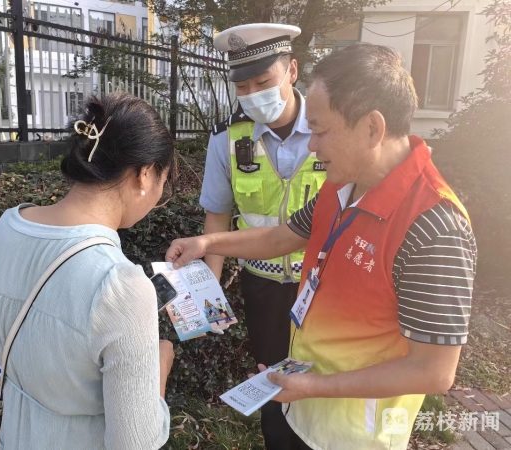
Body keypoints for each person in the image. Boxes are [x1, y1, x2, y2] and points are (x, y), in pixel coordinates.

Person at [167, 43, 477, 449]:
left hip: (353, 435)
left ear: (372, 128)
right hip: (303, 407)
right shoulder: (341, 187)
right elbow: (281, 237)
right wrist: (207, 242)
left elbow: (434, 372)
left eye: (320, 131)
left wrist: (313, 386)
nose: (312, 146)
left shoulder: (434, 228)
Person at [0, 92, 176, 450]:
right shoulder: (119, 285)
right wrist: (159, 367)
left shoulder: (6, 228)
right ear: (145, 174)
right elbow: (134, 442)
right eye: (164, 180)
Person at [201, 23, 326, 449]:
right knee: (271, 380)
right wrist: (209, 294)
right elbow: (216, 219)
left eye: (263, 82)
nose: (253, 94)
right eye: (242, 87)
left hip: (323, 285)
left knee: (325, 378)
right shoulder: (227, 140)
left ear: (292, 70)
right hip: (264, 288)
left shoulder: (330, 130)